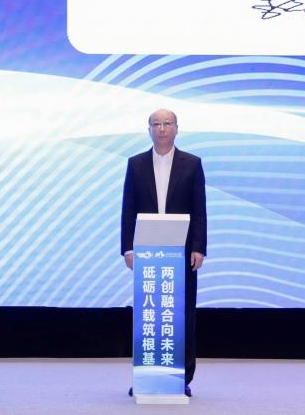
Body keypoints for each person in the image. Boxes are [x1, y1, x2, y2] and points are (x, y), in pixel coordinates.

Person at [121, 108, 207, 397]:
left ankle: (182, 378)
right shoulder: (136, 164)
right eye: (156, 124)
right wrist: (128, 248)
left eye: (167, 123)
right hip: (146, 253)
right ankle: (146, 376)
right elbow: (128, 209)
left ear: (176, 128)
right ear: (149, 129)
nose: (161, 129)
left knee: (182, 314)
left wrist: (199, 247)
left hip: (181, 252)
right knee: (149, 315)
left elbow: (199, 209)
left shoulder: (192, 164)